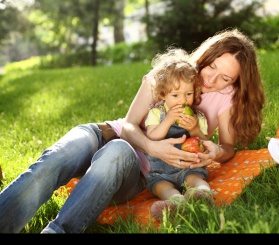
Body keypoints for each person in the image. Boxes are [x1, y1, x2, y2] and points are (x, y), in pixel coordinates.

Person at [0, 28, 264, 233]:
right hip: (105, 133)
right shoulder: (169, 73)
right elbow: (127, 126)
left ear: (235, 82)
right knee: (59, 157)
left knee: (116, 151)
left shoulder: (224, 97)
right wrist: (152, 145)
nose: (211, 79)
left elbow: (228, 149)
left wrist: (216, 150)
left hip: (131, 167)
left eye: (225, 78)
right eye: (212, 66)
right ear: (206, 55)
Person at [143, 48, 214, 221]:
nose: (183, 100)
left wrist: (195, 129)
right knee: (161, 186)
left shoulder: (197, 116)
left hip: (189, 166)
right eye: (175, 95)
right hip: (160, 170)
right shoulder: (156, 113)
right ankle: (176, 204)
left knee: (195, 178)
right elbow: (151, 137)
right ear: (163, 94)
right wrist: (167, 120)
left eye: (188, 94)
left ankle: (202, 194)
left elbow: (205, 142)